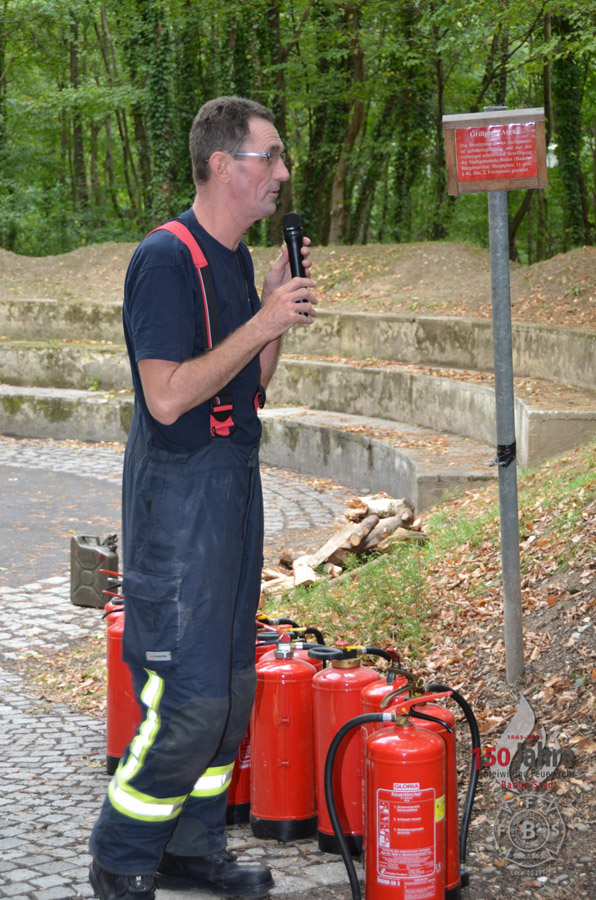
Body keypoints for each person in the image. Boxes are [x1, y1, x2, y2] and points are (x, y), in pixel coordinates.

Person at [88, 95, 317, 900]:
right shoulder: (163, 259)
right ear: (223, 165)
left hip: (231, 492)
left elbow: (247, 385)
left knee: (229, 695)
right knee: (189, 699)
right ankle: (119, 855)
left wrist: (274, 312)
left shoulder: (237, 260)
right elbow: (166, 396)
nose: (282, 173)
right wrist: (259, 324)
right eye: (271, 157)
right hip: (177, 509)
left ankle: (192, 845)